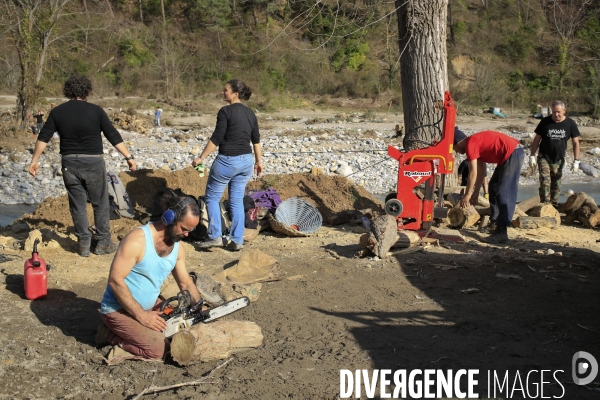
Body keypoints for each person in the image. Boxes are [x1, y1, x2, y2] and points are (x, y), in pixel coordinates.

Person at [28, 75, 137, 257]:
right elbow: (112, 134)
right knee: (100, 203)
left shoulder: (58, 112)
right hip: (93, 162)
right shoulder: (96, 111)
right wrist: (128, 156)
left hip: (69, 163)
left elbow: (44, 136)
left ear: (68, 91)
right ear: (86, 91)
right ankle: (103, 243)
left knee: (77, 205)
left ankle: (84, 245)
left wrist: (34, 160)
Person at [99, 195, 202, 361]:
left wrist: (199, 307)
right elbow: (115, 281)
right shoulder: (137, 241)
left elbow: (185, 282)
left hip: (150, 307)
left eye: (190, 230)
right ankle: (109, 335)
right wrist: (142, 316)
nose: (187, 234)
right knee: (160, 350)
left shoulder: (178, 248)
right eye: (184, 228)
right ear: (169, 218)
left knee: (176, 330)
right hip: (118, 310)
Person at [192, 79, 262, 251]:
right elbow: (256, 139)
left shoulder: (225, 111)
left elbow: (217, 137)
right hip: (246, 161)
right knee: (237, 200)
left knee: (212, 198)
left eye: (225, 90)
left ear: (235, 94)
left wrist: (201, 158)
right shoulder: (250, 113)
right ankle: (237, 240)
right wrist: (259, 161)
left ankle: (215, 236)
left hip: (227, 160)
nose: (223, 93)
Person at [454, 128, 524, 244]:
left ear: (457, 142)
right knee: (493, 187)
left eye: (453, 148)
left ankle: (502, 232)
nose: (455, 151)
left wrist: (467, 195)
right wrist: (476, 193)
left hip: (513, 153)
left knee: (504, 192)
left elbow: (473, 173)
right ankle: (494, 223)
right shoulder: (474, 143)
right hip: (508, 155)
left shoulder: (470, 144)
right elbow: (482, 172)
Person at [529, 100, 580, 205]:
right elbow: (537, 139)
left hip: (558, 158)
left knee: (556, 182)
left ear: (564, 111)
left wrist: (576, 161)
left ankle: (554, 203)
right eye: (553, 112)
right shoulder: (545, 122)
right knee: (545, 180)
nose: (556, 114)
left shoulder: (570, 123)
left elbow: (575, 142)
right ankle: (545, 203)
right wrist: (532, 156)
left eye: (558, 112)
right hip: (544, 156)